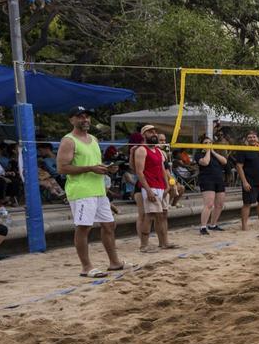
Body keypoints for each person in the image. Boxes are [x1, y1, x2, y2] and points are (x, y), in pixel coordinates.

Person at [56, 107, 124, 277]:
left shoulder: (93, 138)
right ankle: (86, 267)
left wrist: (107, 169)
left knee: (109, 225)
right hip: (81, 191)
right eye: (80, 117)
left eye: (87, 116)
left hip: (98, 189)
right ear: (71, 120)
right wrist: (90, 168)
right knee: (84, 228)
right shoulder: (68, 140)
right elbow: (62, 168)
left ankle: (115, 262)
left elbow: (94, 164)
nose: (85, 119)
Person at [132, 125, 175, 252]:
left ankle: (163, 243)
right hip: (150, 186)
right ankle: (144, 245)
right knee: (149, 215)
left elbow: (162, 169)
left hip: (160, 186)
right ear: (144, 134)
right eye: (150, 132)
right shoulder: (141, 150)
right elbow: (139, 172)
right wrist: (148, 189)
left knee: (161, 216)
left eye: (155, 131)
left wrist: (167, 185)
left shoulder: (157, 150)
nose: (154, 134)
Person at [233, 131, 259, 231]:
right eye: (249, 137)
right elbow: (239, 166)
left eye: (254, 137)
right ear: (247, 139)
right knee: (247, 204)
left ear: (257, 138)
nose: (252, 139)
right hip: (250, 182)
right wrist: (244, 182)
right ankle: (244, 226)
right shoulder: (243, 150)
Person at [195, 136, 227, 235]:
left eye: (210, 142)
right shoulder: (199, 154)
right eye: (206, 143)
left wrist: (212, 151)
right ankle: (203, 227)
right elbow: (205, 162)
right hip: (207, 180)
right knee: (209, 204)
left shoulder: (215, 154)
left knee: (220, 204)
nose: (208, 144)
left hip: (219, 179)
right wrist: (208, 151)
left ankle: (213, 225)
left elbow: (224, 161)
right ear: (202, 145)